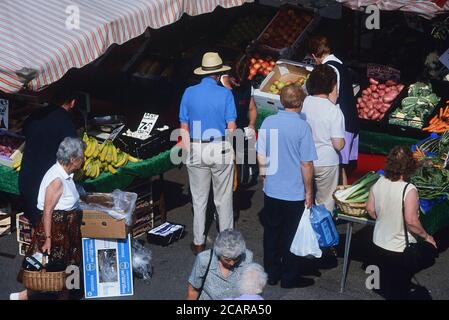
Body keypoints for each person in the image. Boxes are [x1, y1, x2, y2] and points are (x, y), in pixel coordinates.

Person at [256, 85, 317, 288]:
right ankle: (289, 277)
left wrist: (264, 176)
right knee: (291, 235)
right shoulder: (302, 127)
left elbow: (261, 154)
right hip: (294, 192)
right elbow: (306, 163)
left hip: (273, 189)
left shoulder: (268, 122)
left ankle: (271, 273)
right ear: (300, 103)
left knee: (272, 233)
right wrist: (309, 191)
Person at [11, 137, 85, 300]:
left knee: (69, 270)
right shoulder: (57, 180)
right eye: (82, 157)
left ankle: (66, 296)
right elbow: (47, 210)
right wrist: (49, 239)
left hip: (68, 230)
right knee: (53, 272)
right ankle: (21, 297)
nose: (84, 160)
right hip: (58, 232)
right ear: (73, 159)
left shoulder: (66, 175)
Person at [179, 52, 237, 255]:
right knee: (224, 199)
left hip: (195, 146)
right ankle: (227, 244)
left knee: (199, 198)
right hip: (220, 146)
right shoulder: (226, 94)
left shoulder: (189, 92)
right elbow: (231, 125)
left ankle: (198, 242)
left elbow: (183, 127)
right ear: (218, 74)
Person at [366, 146, 437, 300]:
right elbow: (411, 221)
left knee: (385, 285)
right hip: (398, 249)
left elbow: (370, 210)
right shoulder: (408, 189)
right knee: (399, 290)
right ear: (409, 165)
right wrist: (426, 237)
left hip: (378, 243)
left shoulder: (379, 182)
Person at [18, 89, 78, 228]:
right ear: (73, 103)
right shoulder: (65, 121)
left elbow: (24, 130)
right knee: (48, 227)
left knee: (34, 223)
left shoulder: (36, 114)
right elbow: (74, 151)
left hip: (27, 178)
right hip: (48, 184)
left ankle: (35, 248)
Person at [309, 35, 359, 185]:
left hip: (341, 123)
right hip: (350, 118)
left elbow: (332, 96)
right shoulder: (339, 63)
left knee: (338, 166)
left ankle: (341, 199)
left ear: (314, 56)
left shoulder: (329, 68)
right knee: (341, 166)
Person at [302, 64, 345, 212]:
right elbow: (338, 144)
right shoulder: (334, 111)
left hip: (305, 158)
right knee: (325, 204)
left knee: (304, 198)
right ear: (332, 85)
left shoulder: (304, 103)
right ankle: (320, 233)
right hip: (326, 162)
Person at [187, 229, 253, 300]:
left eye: (236, 258)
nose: (232, 263)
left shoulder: (247, 258)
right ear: (218, 252)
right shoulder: (204, 259)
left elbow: (252, 289)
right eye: (227, 259)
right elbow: (193, 291)